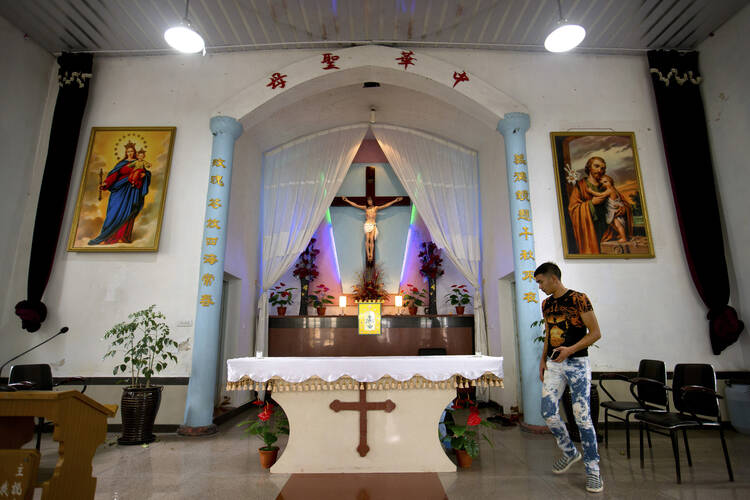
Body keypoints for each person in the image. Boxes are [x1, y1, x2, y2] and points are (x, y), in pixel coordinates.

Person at [535, 262, 603, 493]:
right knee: (548, 412)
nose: (540, 286)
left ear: (554, 278)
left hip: (577, 363)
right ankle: (569, 451)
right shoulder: (546, 304)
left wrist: (570, 350)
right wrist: (543, 360)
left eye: (541, 281)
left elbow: (595, 333)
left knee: (582, 417)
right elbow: (548, 333)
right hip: (554, 364)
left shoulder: (579, 299)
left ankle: (593, 470)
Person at [88, 142, 151, 245]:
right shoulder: (121, 164)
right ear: (125, 153)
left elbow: (146, 173)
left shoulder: (139, 162)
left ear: (134, 152)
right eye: (128, 151)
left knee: (129, 211)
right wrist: (106, 183)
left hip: (132, 190)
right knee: (114, 212)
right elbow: (114, 175)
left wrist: (144, 175)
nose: (130, 153)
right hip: (119, 190)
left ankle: (123, 236)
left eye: (131, 151)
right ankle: (108, 237)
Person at [567, 156, 619, 254]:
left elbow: (619, 201)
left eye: (602, 168)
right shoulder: (580, 186)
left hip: (608, 229)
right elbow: (573, 209)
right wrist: (591, 204)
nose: (600, 170)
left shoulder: (606, 184)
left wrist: (623, 209)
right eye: (596, 166)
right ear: (589, 167)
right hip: (590, 229)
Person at [341, 195, 403, 263]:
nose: (369, 202)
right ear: (367, 202)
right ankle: (368, 254)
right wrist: (346, 200)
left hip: (373, 224)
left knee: (372, 239)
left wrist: (395, 200)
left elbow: (385, 206)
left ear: (372, 201)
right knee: (367, 239)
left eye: (370, 200)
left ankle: (371, 254)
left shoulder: (375, 208)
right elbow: (356, 205)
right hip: (367, 224)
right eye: (368, 201)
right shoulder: (365, 208)